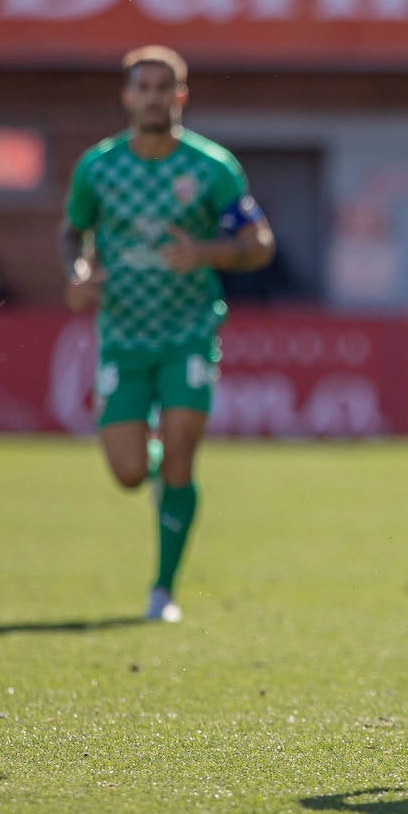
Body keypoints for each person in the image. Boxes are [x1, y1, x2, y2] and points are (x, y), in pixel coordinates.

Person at [59, 45, 276, 622]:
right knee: (130, 473)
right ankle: (158, 479)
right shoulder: (98, 168)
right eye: (143, 88)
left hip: (188, 332)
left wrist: (204, 251)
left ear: (181, 96)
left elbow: (260, 245)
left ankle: (163, 591)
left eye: (165, 87)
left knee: (181, 456)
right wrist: (78, 272)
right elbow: (72, 232)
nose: (154, 97)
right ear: (127, 97)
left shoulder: (211, 168)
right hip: (123, 337)